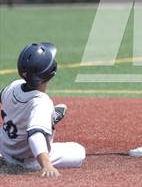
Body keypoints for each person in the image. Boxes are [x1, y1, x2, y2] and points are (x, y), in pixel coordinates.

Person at [0, 42, 86, 177]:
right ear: (51, 71)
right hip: (28, 160)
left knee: (23, 116)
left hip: (4, 149)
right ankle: (46, 120)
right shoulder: (42, 103)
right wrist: (46, 165)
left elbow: (2, 96)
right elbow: (35, 136)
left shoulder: (14, 85)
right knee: (79, 152)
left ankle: (46, 119)